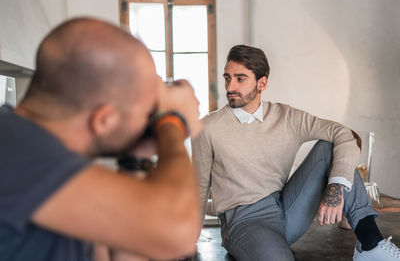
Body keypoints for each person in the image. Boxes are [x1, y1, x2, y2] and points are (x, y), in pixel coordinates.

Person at [0, 18, 203, 261]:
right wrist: (173, 123)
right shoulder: (17, 149)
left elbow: (127, 252)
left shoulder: (35, 150)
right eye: (147, 113)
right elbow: (178, 234)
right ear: (104, 120)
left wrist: (135, 160)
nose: (149, 121)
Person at [191, 44, 400, 261]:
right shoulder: (207, 128)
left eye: (240, 79)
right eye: (227, 78)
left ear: (262, 83)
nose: (230, 86)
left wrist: (336, 189)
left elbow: (344, 135)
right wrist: (187, 240)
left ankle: (372, 246)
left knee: (328, 146)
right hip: (243, 222)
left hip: (286, 209)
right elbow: (198, 188)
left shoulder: (287, 117)